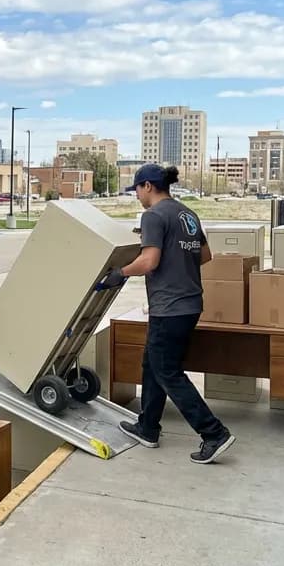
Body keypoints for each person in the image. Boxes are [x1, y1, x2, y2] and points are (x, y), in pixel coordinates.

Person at [96, 163, 236, 464]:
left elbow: (148, 261)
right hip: (190, 303)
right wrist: (177, 260)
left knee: (167, 371)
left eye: (136, 189)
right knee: (153, 365)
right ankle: (147, 427)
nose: (136, 195)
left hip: (169, 307)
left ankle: (213, 433)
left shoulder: (154, 216)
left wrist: (120, 272)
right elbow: (205, 255)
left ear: (147, 186)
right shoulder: (187, 213)